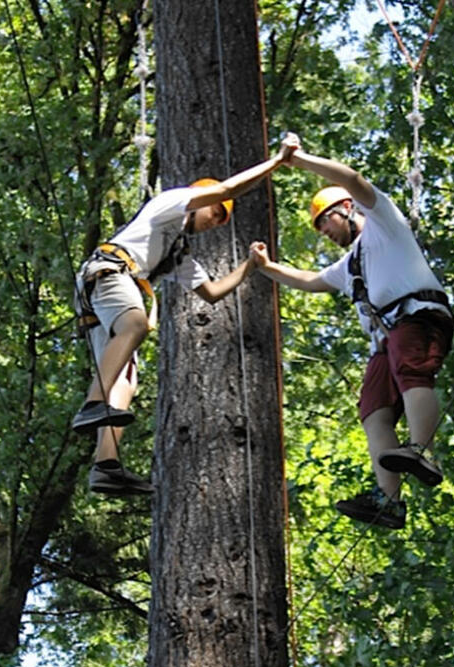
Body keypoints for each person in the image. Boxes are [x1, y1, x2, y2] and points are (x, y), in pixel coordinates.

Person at [71, 136, 299, 495]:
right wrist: (277, 162)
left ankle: (105, 465)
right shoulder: (168, 203)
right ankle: (92, 404)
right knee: (134, 324)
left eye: (221, 220)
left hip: (109, 286)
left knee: (127, 379)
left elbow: (211, 293)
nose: (216, 222)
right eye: (215, 213)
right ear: (199, 201)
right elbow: (227, 187)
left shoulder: (177, 250)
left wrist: (251, 266)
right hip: (109, 273)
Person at [249, 135, 454, 531]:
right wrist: (266, 267)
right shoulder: (349, 266)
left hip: (416, 317)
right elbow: (310, 280)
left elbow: (354, 178)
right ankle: (388, 500)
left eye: (323, 220)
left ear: (345, 208)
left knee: (412, 372)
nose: (321, 230)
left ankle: (421, 449)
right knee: (373, 411)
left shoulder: (384, 223)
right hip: (387, 340)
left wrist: (301, 160)